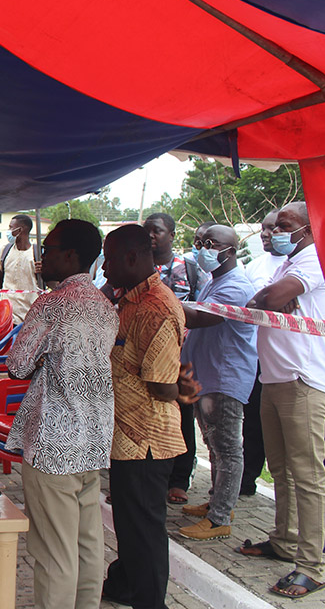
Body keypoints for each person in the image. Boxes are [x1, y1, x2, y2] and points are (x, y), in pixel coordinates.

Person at [3, 220, 118, 609]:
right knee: (88, 545)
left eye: (48, 250)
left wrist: (42, 360)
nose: (42, 257)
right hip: (93, 438)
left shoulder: (51, 304)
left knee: (54, 552)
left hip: (53, 443)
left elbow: (17, 365)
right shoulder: (105, 306)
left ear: (70, 255)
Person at [100, 224, 200, 609]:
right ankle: (125, 585)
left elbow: (160, 385)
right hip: (127, 435)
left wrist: (182, 389)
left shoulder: (156, 307)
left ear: (131, 258)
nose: (104, 268)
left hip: (146, 439)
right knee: (130, 524)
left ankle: (150, 601)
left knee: (144, 530)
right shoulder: (131, 301)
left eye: (109, 260)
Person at [237, 202, 325, 599]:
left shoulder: (315, 259)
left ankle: (311, 566)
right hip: (274, 378)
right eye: (274, 226)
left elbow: (271, 297)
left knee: (307, 475)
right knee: (280, 468)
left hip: (301, 380)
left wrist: (273, 297)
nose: (275, 232)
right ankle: (285, 540)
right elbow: (261, 299)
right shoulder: (287, 264)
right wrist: (271, 297)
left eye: (284, 226)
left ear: (308, 228)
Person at [177, 225, 258, 541]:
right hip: (207, 376)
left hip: (224, 378)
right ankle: (218, 502)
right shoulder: (215, 280)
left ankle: (220, 518)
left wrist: (162, 302)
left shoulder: (235, 286)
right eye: (199, 243)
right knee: (214, 445)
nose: (202, 249)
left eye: (211, 244)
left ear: (231, 250)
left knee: (226, 449)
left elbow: (201, 319)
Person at [145, 213, 208, 506]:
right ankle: (147, 477)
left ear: (171, 235)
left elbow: (203, 311)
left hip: (180, 358)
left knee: (182, 418)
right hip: (143, 356)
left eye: (156, 231)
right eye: (146, 231)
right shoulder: (137, 267)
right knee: (148, 415)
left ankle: (179, 479)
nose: (151, 236)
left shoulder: (190, 269)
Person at [241, 210, 284, 495]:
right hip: (256, 358)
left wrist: (270, 299)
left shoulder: (310, 265)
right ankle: (247, 480)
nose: (267, 234)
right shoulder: (255, 266)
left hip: (290, 365)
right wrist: (269, 299)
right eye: (264, 228)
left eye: (275, 228)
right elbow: (250, 305)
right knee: (253, 425)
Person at [0, 214, 39, 324]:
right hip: (6, 317)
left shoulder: (36, 254)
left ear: (21, 230)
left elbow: (51, 284)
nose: (8, 231)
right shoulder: (5, 250)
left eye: (11, 227)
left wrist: (44, 271)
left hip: (29, 317)